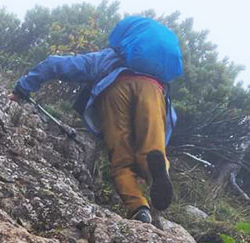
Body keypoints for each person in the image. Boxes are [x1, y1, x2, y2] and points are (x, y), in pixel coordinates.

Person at [11, 32, 179, 223]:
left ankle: (139, 208)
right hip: (153, 91)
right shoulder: (160, 78)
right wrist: (148, 168)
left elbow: (55, 63)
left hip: (116, 90)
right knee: (152, 151)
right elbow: (168, 123)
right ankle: (156, 171)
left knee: (121, 162)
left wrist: (22, 88)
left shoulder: (108, 57)